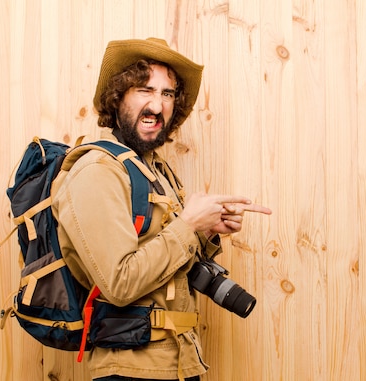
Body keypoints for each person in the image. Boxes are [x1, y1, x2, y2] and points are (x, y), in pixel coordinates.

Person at [52, 37, 271, 381]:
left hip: (180, 363)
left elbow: (167, 263)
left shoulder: (155, 171)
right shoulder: (98, 170)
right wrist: (187, 225)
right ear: (118, 96)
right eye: (144, 90)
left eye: (167, 94)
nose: (157, 105)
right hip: (130, 371)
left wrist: (207, 228)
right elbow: (119, 283)